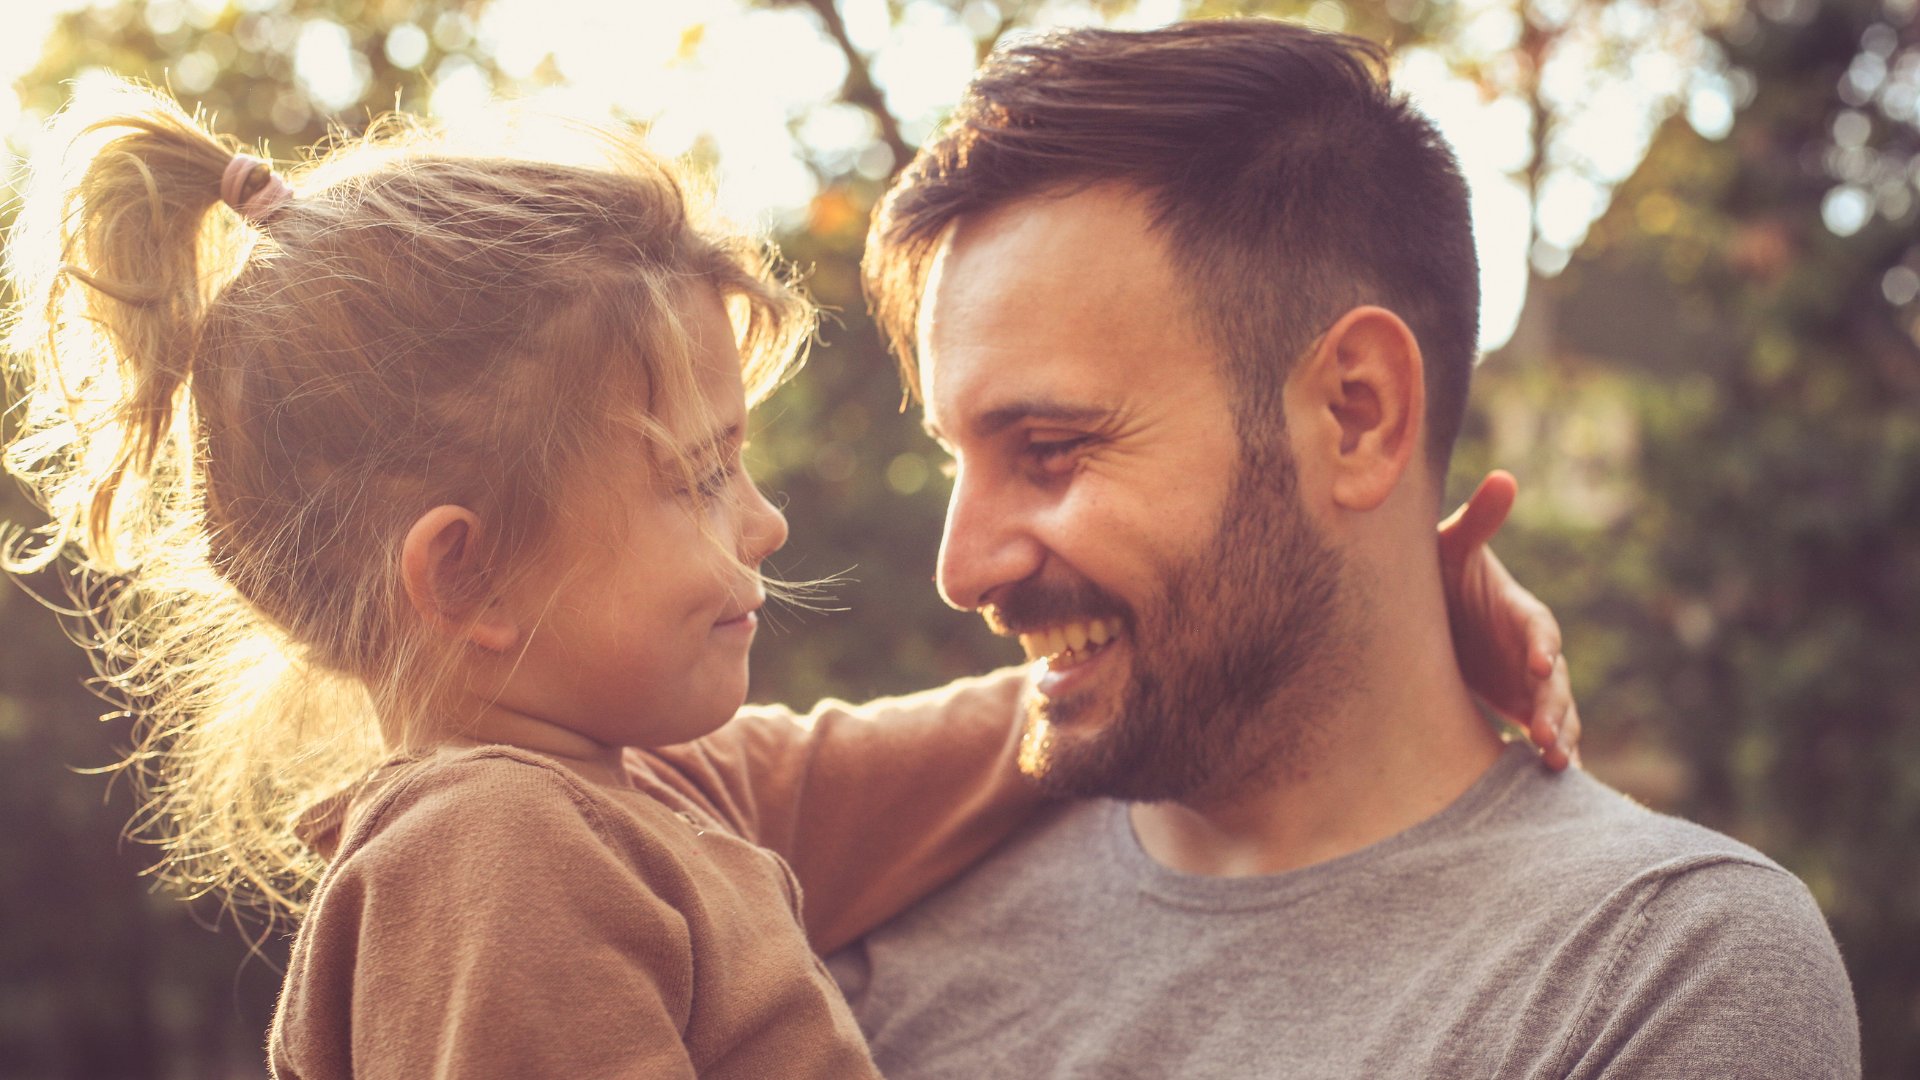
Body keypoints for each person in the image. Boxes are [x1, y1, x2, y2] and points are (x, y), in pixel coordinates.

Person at [2, 78, 1570, 1076]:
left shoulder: (647, 795)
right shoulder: (494, 859)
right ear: (468, 578)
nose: (760, 523)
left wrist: (1370, 615)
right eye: (695, 478)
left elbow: (962, 753)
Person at [831, 18, 1861, 1079]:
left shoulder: (1651, 970)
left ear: (1356, 416)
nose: (962, 570)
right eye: (958, 458)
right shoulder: (865, 903)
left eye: (1048, 450)